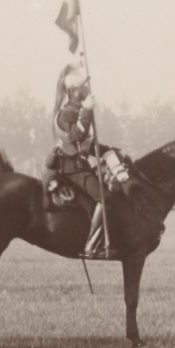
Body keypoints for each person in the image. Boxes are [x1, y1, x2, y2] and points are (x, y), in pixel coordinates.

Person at [43, 65, 139, 258]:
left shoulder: (76, 111)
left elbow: (88, 145)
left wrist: (110, 152)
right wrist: (86, 111)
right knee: (105, 199)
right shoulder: (67, 113)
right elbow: (76, 137)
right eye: (82, 88)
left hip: (81, 166)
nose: (86, 90)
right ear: (72, 91)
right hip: (71, 169)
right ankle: (92, 246)